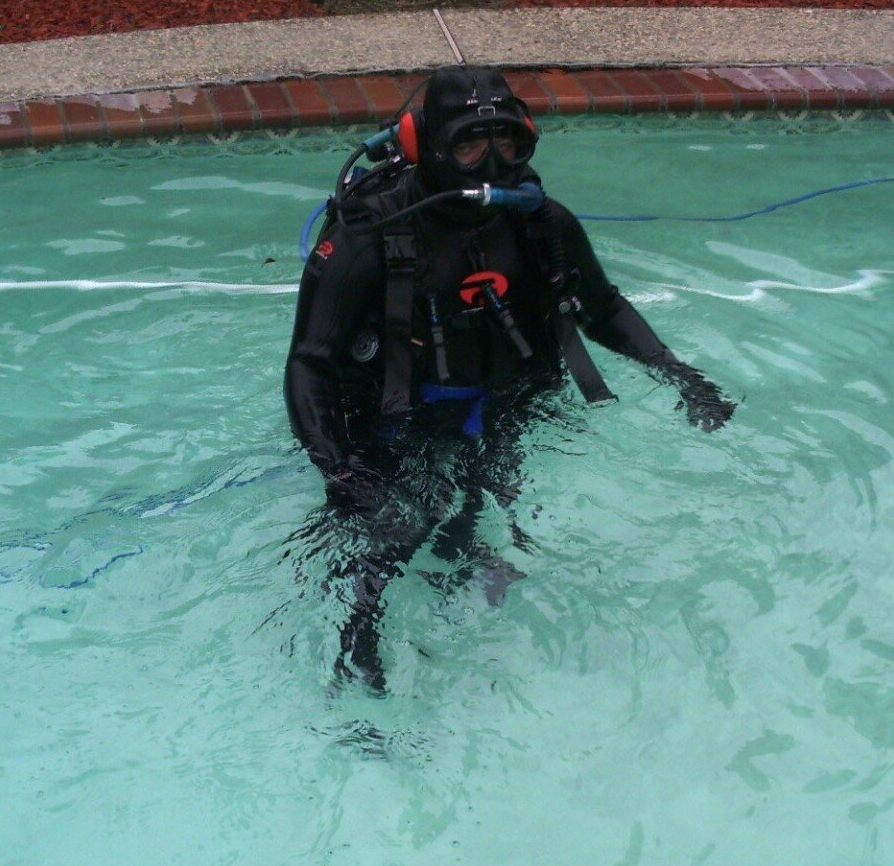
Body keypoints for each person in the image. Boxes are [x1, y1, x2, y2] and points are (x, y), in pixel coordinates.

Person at [285, 66, 735, 693]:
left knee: (477, 506)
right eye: (469, 145)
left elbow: (601, 307)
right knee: (394, 530)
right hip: (394, 422)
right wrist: (338, 468)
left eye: (508, 146)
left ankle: (458, 587)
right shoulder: (368, 236)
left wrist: (682, 376)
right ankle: (354, 651)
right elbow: (310, 362)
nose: (491, 167)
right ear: (425, 148)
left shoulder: (541, 222)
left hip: (501, 407)